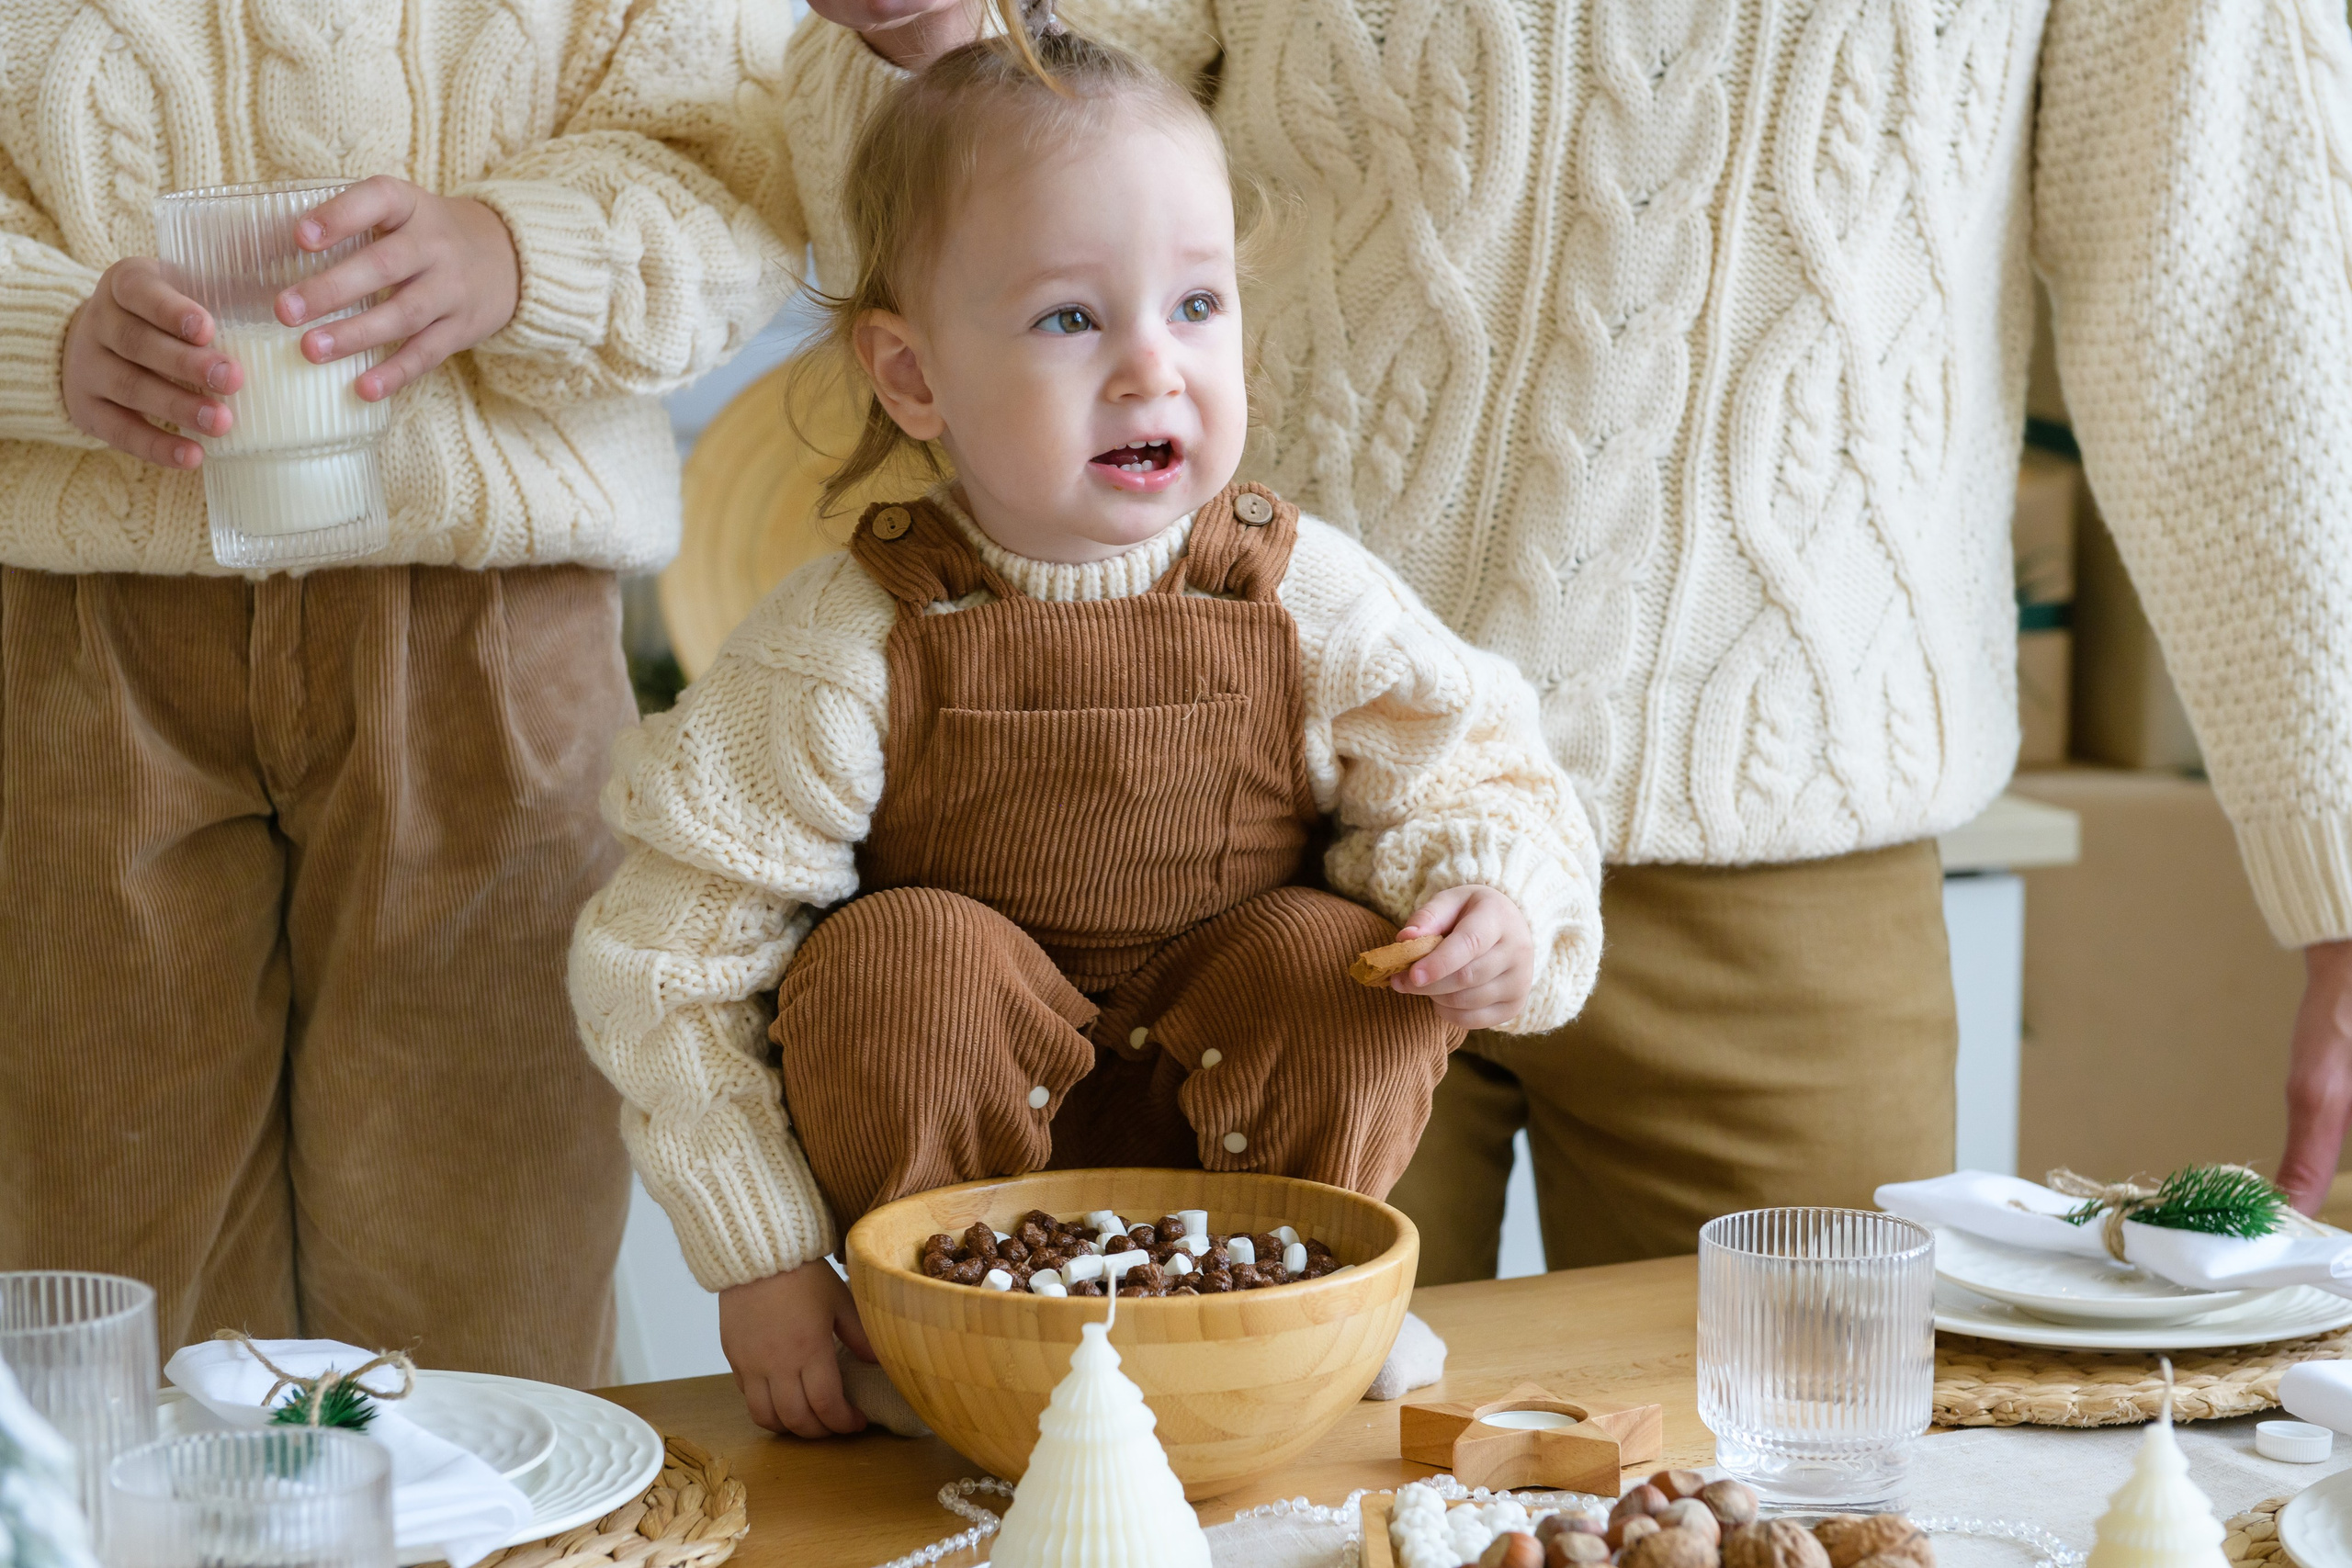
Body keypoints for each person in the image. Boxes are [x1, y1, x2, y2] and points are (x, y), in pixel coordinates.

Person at [785, 0, 2352, 1259]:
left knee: (1794, 1476)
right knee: (1195, 1488)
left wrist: (2344, 868)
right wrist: (927, 38)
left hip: (1786, 854)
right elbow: (960, 156)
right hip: (1255, 838)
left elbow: (2237, 301)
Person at [566, 26, 1602, 1438]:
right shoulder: (842, 646)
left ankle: (1297, 1290)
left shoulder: (1309, 598)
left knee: (1333, 958)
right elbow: (667, 960)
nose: (1149, 370)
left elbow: (1486, 771)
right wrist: (758, 1259)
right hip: (961, 1222)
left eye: (1196, 304)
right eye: (1071, 319)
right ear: (913, 375)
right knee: (899, 957)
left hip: (1241, 1170)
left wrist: (1497, 905)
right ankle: (948, 1326)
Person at [0, 1, 803, 1384]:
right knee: (113, 1290)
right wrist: (38, 337)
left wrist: (513, 256)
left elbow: (738, 163)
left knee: (489, 1286)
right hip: (83, 639)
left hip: (495, 632)